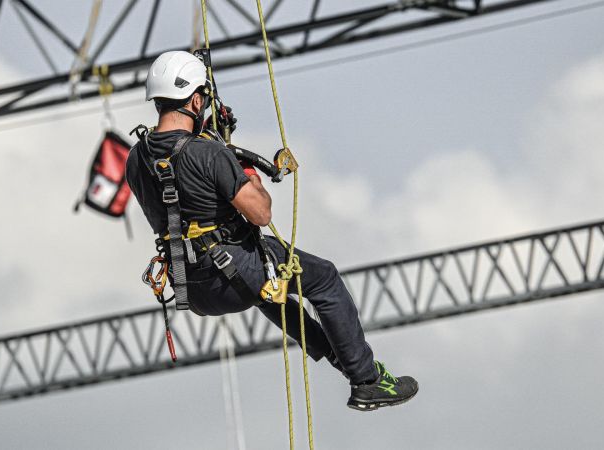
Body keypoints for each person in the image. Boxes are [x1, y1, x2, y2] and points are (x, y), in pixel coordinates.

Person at [126, 50, 418, 411]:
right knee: (323, 278)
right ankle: (366, 380)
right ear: (197, 99)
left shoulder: (135, 158)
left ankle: (344, 358)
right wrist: (243, 171)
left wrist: (216, 148)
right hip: (234, 272)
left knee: (270, 291)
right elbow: (261, 213)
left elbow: (181, 195)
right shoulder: (209, 155)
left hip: (191, 287)